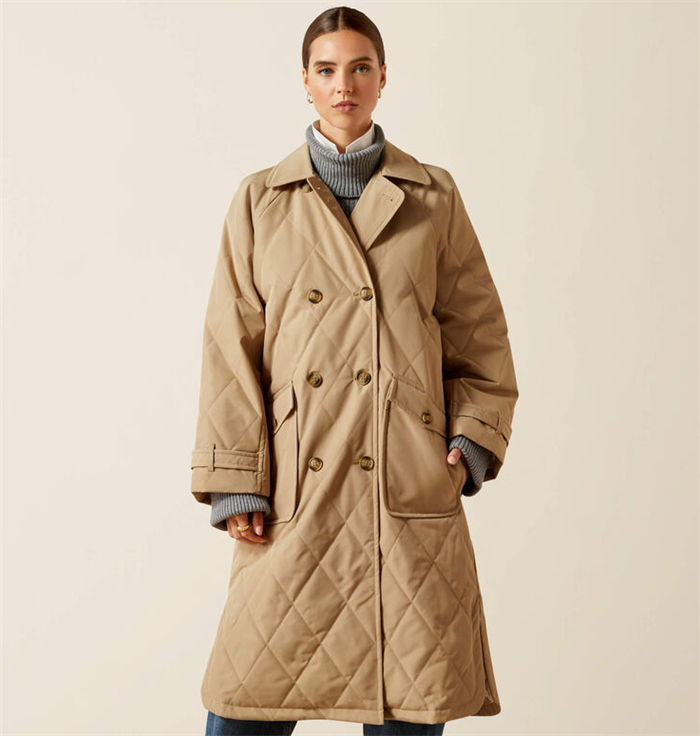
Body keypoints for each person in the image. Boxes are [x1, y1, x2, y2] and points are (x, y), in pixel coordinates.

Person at [190, 7, 519, 736]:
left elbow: (480, 336)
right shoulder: (260, 199)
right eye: (328, 69)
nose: (345, 85)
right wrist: (237, 477)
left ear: (382, 78)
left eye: (361, 67)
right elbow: (229, 347)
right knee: (244, 703)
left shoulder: (434, 196)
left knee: (409, 700)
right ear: (305, 82)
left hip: (404, 486)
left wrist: (470, 444)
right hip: (294, 489)